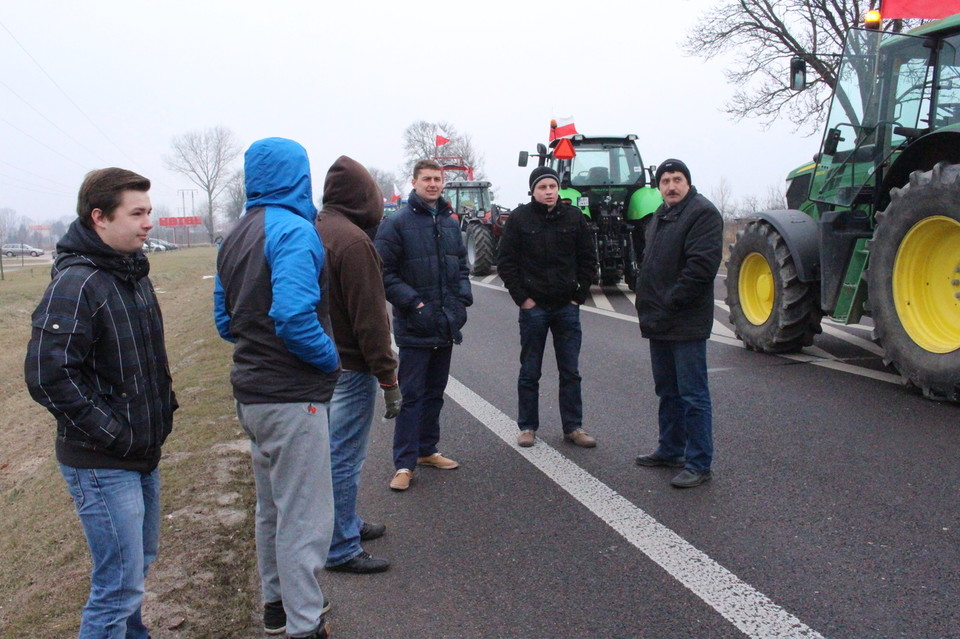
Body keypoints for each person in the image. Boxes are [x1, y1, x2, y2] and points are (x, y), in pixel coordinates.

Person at [24, 167, 177, 638]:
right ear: (99, 218)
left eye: (148, 211)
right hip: (101, 460)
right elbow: (47, 376)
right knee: (117, 586)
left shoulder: (130, 273)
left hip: (139, 454)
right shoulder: (77, 283)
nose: (148, 222)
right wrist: (115, 432)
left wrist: (160, 411)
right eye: (137, 213)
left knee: (136, 569)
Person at [214, 138, 339, 639]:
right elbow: (292, 315)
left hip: (252, 394)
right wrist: (330, 359)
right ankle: (304, 624)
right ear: (300, 174)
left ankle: (277, 607)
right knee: (304, 519)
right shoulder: (293, 231)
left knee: (272, 510)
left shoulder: (235, 234)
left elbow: (225, 321)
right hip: (292, 397)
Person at [316, 156, 400, 573]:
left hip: (324, 364)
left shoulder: (317, 230)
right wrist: (387, 374)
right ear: (362, 198)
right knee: (344, 458)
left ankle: (344, 523)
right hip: (351, 368)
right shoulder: (353, 242)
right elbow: (370, 318)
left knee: (331, 455)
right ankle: (340, 546)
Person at [374, 159, 472, 491]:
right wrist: (415, 304)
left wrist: (462, 303)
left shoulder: (449, 223)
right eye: (426, 179)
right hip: (415, 326)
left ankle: (428, 449)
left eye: (437, 179)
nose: (433, 184)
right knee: (411, 396)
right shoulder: (397, 224)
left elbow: (461, 267)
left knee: (435, 393)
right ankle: (404, 462)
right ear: (414, 182)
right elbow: (384, 272)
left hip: (445, 324)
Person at [633, 159, 723, 489]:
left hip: (684, 320)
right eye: (666, 181)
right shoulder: (660, 214)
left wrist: (671, 300)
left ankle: (699, 462)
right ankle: (670, 449)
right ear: (658, 186)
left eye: (677, 179)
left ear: (688, 182)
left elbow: (701, 268)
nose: (671, 186)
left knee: (692, 395)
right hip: (660, 320)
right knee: (667, 391)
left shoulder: (702, 213)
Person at [497, 166, 598, 449]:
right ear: (533, 191)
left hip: (567, 306)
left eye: (553, 186)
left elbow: (588, 258)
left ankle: (574, 427)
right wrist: (523, 299)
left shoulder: (574, 217)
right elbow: (506, 262)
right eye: (543, 187)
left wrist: (579, 295)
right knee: (530, 371)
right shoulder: (519, 219)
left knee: (570, 371)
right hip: (534, 308)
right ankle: (527, 427)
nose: (549, 191)